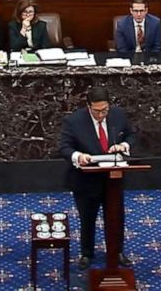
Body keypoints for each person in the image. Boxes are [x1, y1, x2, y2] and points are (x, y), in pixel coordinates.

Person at [58, 87, 136, 270]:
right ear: (88, 107)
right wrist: (78, 156)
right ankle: (87, 253)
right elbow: (64, 147)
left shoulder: (118, 115)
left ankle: (116, 251)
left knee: (116, 217)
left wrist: (124, 145)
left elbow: (131, 135)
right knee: (87, 218)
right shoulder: (74, 121)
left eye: (105, 110)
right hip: (86, 179)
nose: (101, 115)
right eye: (97, 111)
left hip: (113, 179)